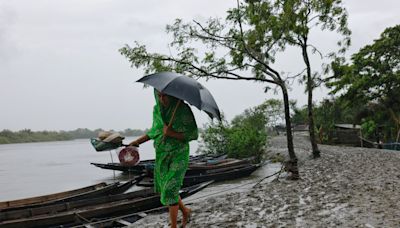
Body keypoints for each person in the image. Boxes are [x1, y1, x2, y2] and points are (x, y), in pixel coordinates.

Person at [129, 90, 198, 228]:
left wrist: (171, 133)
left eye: (165, 95)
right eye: (159, 95)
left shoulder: (183, 109)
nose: (162, 99)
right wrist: (137, 142)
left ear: (172, 95)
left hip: (179, 154)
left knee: (170, 188)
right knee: (167, 188)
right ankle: (185, 211)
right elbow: (155, 131)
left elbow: (192, 134)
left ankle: (173, 226)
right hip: (162, 154)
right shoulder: (157, 110)